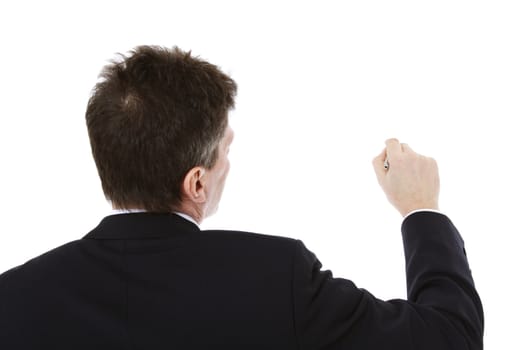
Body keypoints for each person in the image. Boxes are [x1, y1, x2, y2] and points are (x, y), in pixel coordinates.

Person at [0, 45, 483, 349]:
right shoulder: (278, 277)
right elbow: (450, 337)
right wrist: (421, 210)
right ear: (196, 184)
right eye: (224, 150)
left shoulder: (14, 298)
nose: (227, 163)